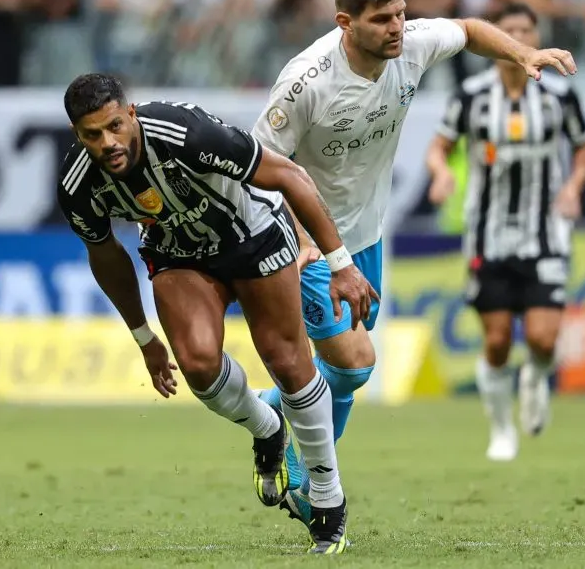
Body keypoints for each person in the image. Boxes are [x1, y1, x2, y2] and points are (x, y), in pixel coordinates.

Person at [250, 0, 577, 520]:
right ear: (346, 23)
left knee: (343, 375)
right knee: (354, 365)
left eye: (401, 14)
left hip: (366, 235)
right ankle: (311, 482)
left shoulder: (413, 45)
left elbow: (469, 29)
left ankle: (272, 414)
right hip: (307, 240)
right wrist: (304, 239)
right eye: (383, 19)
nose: (398, 27)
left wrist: (521, 54)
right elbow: (260, 167)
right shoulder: (305, 82)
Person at [56, 73, 377, 554]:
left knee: (288, 363)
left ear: (131, 113)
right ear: (77, 134)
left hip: (253, 234)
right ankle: (267, 428)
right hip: (177, 253)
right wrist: (143, 337)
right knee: (199, 366)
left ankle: (328, 499)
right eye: (92, 135)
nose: (108, 143)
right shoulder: (77, 185)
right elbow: (105, 256)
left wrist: (341, 265)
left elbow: (289, 176)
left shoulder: (187, 133)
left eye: (115, 126)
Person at [424, 3, 585, 462]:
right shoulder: (471, 96)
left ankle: (535, 377)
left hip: (546, 233)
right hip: (488, 234)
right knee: (497, 340)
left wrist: (574, 186)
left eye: (526, 29)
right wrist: (441, 172)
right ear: (497, 40)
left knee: (543, 339)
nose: (519, 36)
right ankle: (501, 430)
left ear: (537, 37)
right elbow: (439, 147)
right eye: (510, 30)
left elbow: (584, 148)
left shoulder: (560, 95)